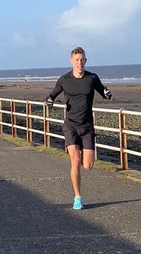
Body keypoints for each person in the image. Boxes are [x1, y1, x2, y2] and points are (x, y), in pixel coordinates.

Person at [46, 47, 112, 209]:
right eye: (77, 59)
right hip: (70, 126)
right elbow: (52, 95)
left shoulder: (92, 78)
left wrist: (108, 93)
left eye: (82, 59)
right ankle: (78, 198)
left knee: (88, 166)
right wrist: (49, 101)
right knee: (75, 162)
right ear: (71, 61)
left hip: (87, 127)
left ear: (86, 61)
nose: (79, 62)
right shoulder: (64, 80)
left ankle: (81, 149)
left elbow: (102, 90)